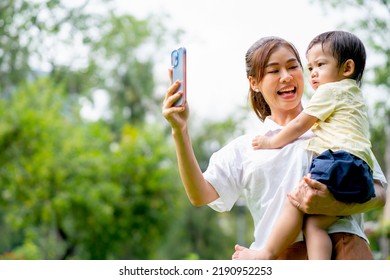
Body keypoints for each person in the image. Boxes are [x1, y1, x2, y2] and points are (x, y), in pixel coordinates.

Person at [162, 36, 387, 260]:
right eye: (273, 71)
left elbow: (380, 193)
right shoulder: (247, 147)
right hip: (280, 257)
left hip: (346, 249)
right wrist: (179, 131)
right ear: (254, 83)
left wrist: (335, 204)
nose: (286, 76)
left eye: (292, 66)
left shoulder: (338, 125)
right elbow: (200, 195)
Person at [245, 31, 376, 260]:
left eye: (321, 65)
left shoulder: (330, 91)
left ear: (346, 69)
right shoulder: (355, 97)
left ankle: (266, 252)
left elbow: (299, 124)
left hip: (339, 162)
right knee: (314, 224)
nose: (313, 73)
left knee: (296, 200)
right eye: (311, 67)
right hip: (360, 170)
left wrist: (270, 141)